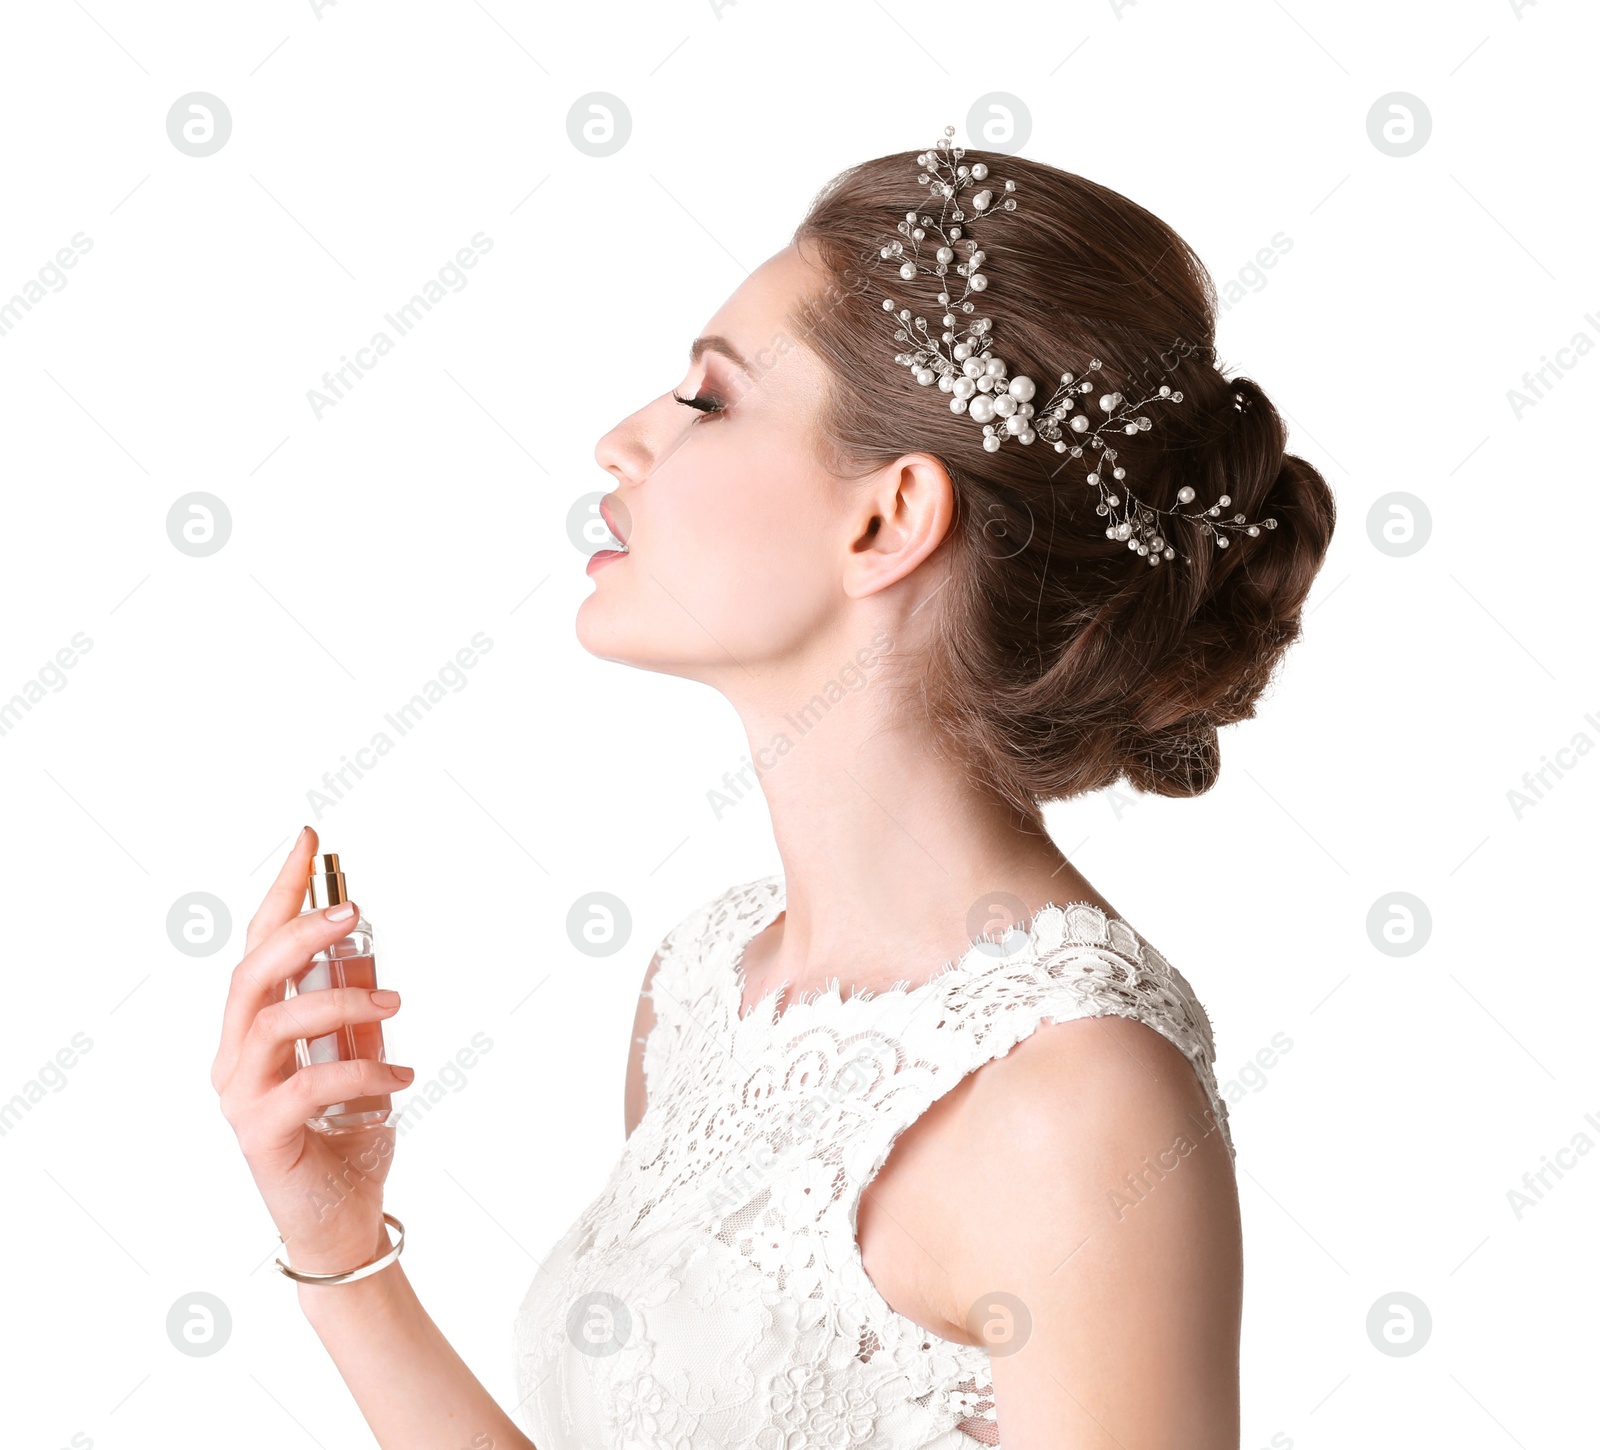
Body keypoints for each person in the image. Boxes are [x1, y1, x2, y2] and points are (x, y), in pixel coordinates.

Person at [215, 129, 1335, 1449]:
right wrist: (338, 1243)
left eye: (705, 399)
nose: (621, 441)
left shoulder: (1077, 1098)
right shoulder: (706, 992)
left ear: (887, 520)